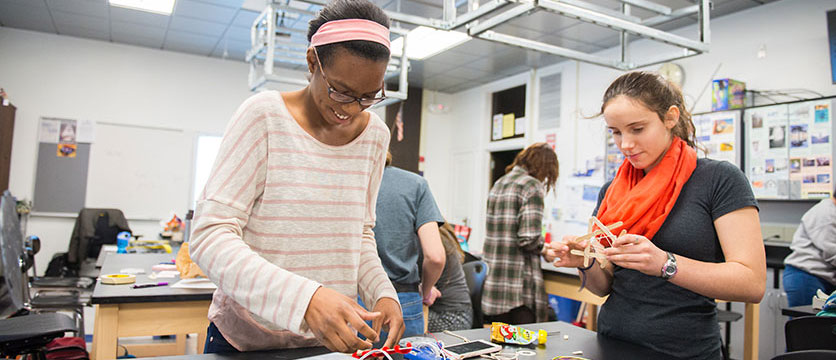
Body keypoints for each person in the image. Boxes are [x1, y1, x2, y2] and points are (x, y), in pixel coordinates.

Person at [189, 0, 403, 353]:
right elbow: (210, 236)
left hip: (332, 339)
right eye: (341, 91)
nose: (351, 110)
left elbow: (359, 234)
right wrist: (306, 300)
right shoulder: (263, 117)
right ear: (311, 63)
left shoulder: (376, 136)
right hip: (247, 340)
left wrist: (383, 293)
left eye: (368, 97)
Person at [549, 71, 766, 359]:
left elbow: (751, 283)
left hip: (683, 350)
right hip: (612, 344)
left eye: (637, 129)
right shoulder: (613, 191)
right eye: (615, 132)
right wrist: (586, 263)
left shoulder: (718, 180)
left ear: (670, 118)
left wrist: (665, 264)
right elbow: (603, 288)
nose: (625, 144)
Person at [482, 142, 559, 325]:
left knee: (501, 342)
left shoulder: (500, 182)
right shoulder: (531, 186)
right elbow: (528, 238)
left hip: (495, 276)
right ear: (545, 167)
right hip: (518, 283)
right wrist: (545, 249)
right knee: (527, 346)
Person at [372, 151, 445, 337]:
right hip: (402, 300)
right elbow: (435, 257)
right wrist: (426, 291)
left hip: (349, 302)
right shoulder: (415, 185)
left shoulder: (344, 181)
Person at [783, 187, 836, 307]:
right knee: (807, 323)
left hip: (823, 277)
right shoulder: (826, 213)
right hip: (806, 276)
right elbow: (832, 253)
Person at [426, 222, 473, 332]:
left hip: (451, 318)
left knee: (398, 314)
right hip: (459, 314)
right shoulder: (439, 234)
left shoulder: (432, 244)